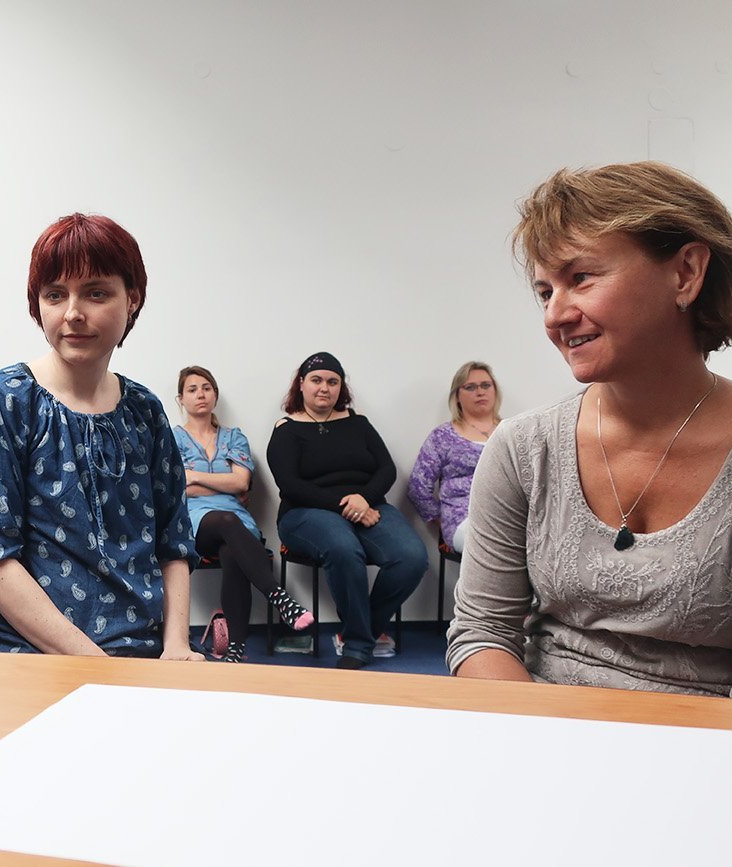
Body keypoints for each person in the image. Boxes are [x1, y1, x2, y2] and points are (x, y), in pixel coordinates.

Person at [448, 161, 732, 695]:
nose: (554, 316)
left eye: (580, 278)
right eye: (545, 292)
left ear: (686, 273)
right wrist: (546, 734)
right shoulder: (524, 448)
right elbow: (482, 632)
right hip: (544, 721)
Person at [0, 214, 201, 659]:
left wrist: (177, 646)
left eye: (96, 293)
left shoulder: (145, 411)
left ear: (132, 299)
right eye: (55, 295)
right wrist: (99, 669)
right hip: (31, 655)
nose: (72, 313)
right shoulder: (1, 401)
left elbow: (174, 543)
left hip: (145, 650)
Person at [267, 352, 426, 669]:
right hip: (304, 512)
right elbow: (290, 484)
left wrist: (364, 499)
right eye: (316, 380)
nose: (324, 388)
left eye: (332, 381)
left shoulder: (358, 423)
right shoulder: (286, 429)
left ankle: (360, 628)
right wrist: (348, 505)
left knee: (412, 557)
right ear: (301, 384)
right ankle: (358, 645)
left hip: (368, 505)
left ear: (341, 387)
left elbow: (386, 469)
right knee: (342, 547)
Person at [173, 365, 314, 662]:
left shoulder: (234, 437)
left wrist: (194, 477)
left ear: (215, 395)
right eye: (192, 389)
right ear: (181, 399)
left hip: (238, 524)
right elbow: (175, 488)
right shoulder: (172, 439)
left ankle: (235, 651)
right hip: (195, 523)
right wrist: (220, 483)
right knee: (226, 520)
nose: (201, 394)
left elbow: (240, 482)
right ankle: (278, 596)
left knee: (232, 550)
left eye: (207, 388)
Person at [407, 361, 503, 553]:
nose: (480, 392)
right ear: (457, 396)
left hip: (510, 516)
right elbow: (418, 488)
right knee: (501, 551)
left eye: (486, 385)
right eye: (471, 387)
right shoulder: (442, 437)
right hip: (463, 518)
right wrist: (443, 519)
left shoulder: (513, 431)